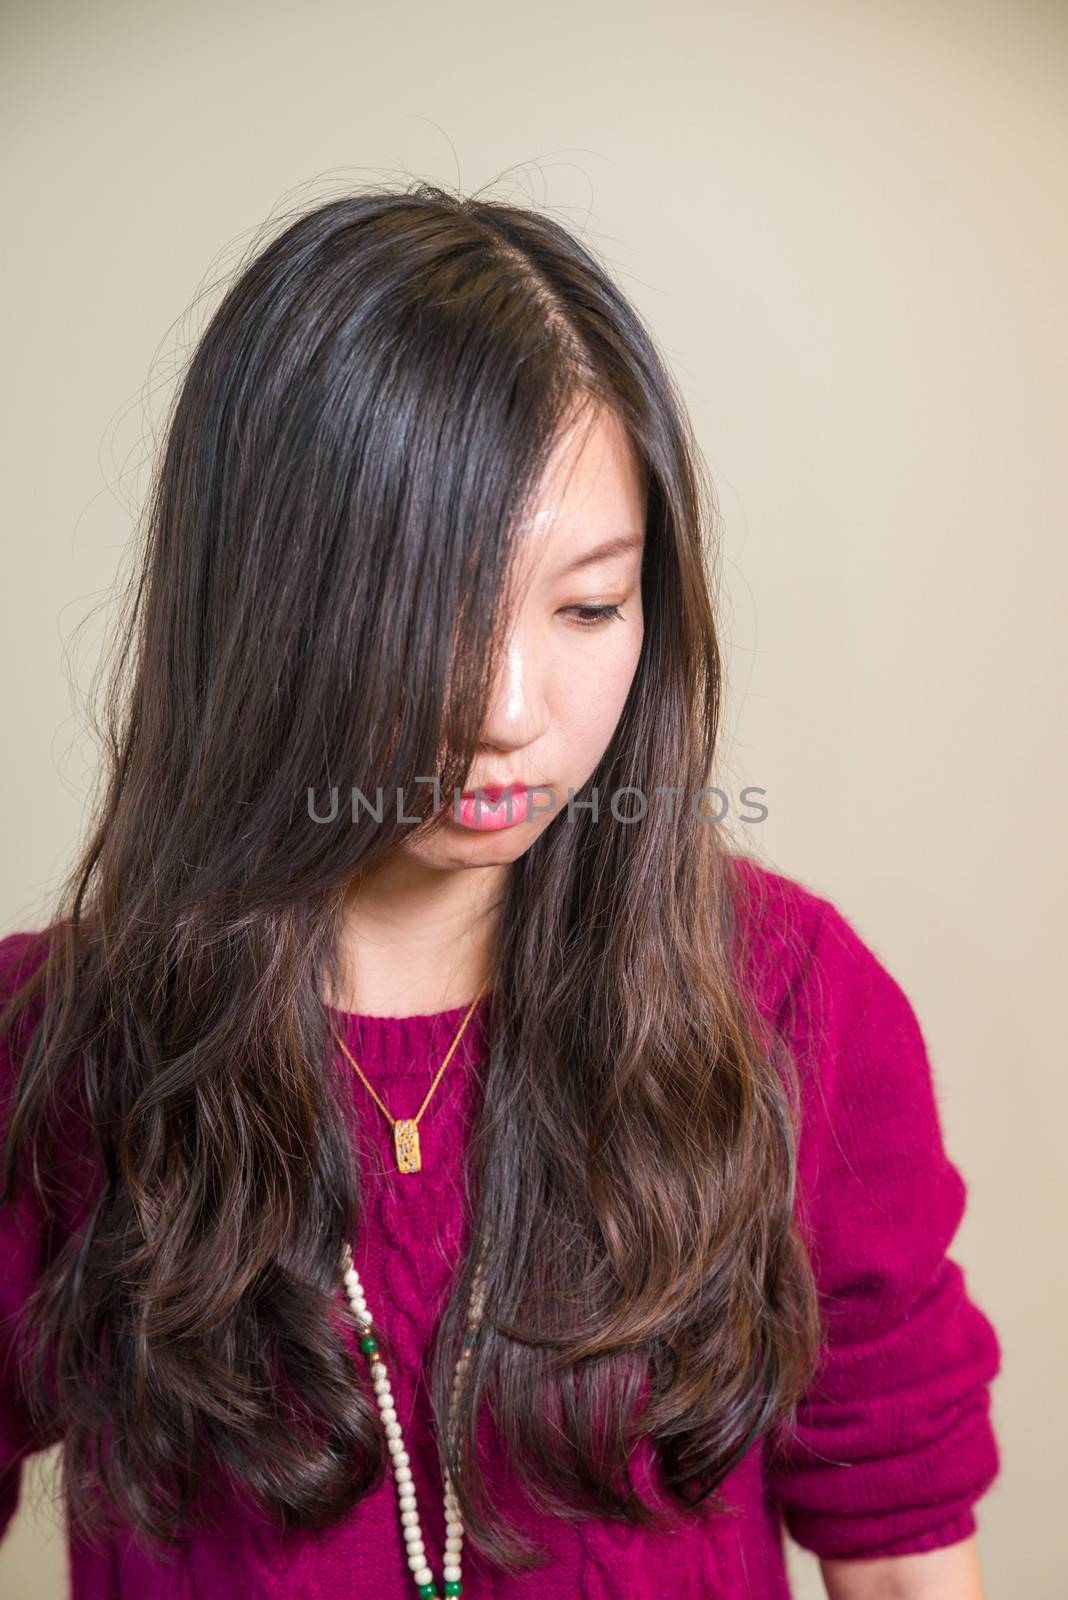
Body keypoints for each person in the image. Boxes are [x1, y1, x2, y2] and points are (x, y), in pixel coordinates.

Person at [0, 186, 1001, 1600]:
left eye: (589, 607)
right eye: (432, 612)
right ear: (270, 598)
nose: (512, 711)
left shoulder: (793, 1002)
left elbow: (899, 1541)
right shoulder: (52, 1051)